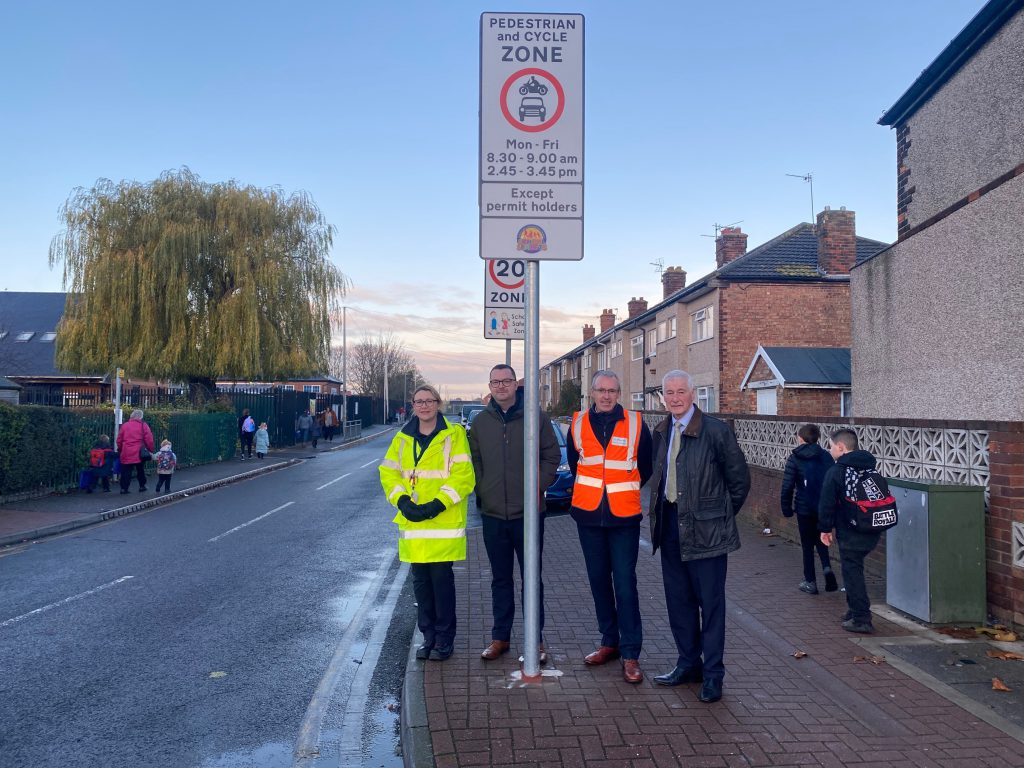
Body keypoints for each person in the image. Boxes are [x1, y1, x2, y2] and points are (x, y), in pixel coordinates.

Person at [648, 370, 750, 703]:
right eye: (669, 392)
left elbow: (739, 482)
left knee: (712, 606)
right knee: (679, 603)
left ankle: (713, 675)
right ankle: (688, 664)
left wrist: (717, 517)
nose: (675, 398)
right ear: (664, 397)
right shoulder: (661, 431)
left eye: (681, 391)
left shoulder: (717, 431)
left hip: (707, 532)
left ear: (693, 395)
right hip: (670, 528)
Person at [469, 364, 561, 663]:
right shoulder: (481, 422)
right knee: (500, 579)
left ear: (515, 385)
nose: (500, 386)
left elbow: (552, 455)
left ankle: (535, 641)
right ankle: (500, 638)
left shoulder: (536, 417)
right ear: (490, 385)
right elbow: (476, 460)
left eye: (506, 381)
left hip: (529, 514)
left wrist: (537, 486)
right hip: (494, 514)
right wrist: (483, 489)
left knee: (531, 578)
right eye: (495, 382)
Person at [566, 370, 653, 683]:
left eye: (612, 391)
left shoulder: (636, 424)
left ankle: (631, 653)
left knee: (625, 584)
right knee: (598, 580)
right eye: (601, 390)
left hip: (624, 517)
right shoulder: (577, 424)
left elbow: (646, 466)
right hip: (588, 516)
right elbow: (576, 465)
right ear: (592, 393)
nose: (606, 396)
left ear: (619, 393)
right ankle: (609, 642)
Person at [379, 385, 474, 661]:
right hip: (413, 525)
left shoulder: (453, 435)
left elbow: (463, 475)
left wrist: (437, 504)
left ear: (438, 403)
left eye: (429, 401)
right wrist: (402, 501)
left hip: (442, 522)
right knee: (420, 585)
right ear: (413, 405)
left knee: (442, 585)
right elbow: (389, 473)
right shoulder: (402, 438)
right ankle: (428, 637)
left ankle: (445, 639)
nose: (424, 406)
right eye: (419, 401)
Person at [819, 428, 883, 634]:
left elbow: (826, 503)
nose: (829, 450)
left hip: (850, 530)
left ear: (841, 447)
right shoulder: (869, 467)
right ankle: (854, 610)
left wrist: (825, 529)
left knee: (852, 572)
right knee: (853, 569)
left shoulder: (837, 471)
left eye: (830, 446)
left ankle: (861, 618)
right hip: (872, 527)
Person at [781, 423, 837, 595]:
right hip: (823, 507)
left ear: (801, 438)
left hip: (804, 507)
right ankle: (827, 567)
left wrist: (786, 508)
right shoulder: (826, 457)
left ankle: (810, 581)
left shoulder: (795, 458)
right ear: (817, 438)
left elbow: (787, 486)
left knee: (807, 545)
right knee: (822, 538)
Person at [116, 409, 155, 494]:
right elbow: (149, 439)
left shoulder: (125, 426)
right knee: (140, 470)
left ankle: (124, 488)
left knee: (126, 471)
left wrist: (120, 449)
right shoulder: (143, 425)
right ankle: (142, 486)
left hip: (126, 451)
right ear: (140, 417)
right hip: (139, 452)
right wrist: (150, 449)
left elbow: (119, 439)